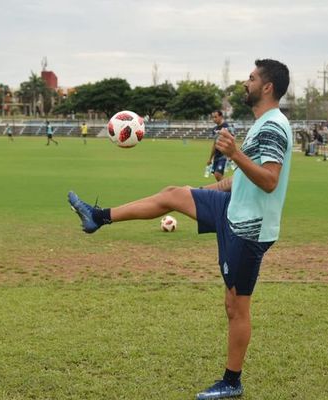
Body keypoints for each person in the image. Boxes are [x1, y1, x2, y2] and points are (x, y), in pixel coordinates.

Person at [68, 59, 292, 400]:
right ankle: (98, 216)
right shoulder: (263, 124)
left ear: (267, 87)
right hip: (232, 208)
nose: (245, 82)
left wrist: (234, 153)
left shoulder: (274, 126)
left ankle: (232, 382)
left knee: (236, 305)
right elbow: (246, 179)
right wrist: (209, 191)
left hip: (249, 227)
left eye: (251, 78)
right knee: (173, 194)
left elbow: (270, 181)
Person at [207, 111, 233, 182]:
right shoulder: (214, 129)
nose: (214, 119)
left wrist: (231, 155)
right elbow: (214, 144)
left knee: (218, 174)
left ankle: (231, 189)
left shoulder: (227, 127)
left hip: (224, 155)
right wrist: (210, 158)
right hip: (216, 156)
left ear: (221, 117)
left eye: (215, 117)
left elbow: (232, 140)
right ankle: (226, 190)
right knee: (217, 177)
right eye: (213, 117)